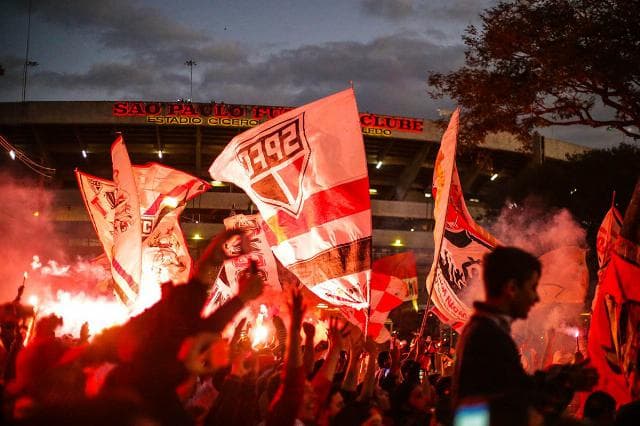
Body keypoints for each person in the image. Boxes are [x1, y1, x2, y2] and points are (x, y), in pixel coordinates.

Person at [452, 246, 598, 425]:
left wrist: (563, 378)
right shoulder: (486, 336)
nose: (536, 298)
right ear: (512, 288)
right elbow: (473, 416)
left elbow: (516, 390)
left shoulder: (489, 331)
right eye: (531, 288)